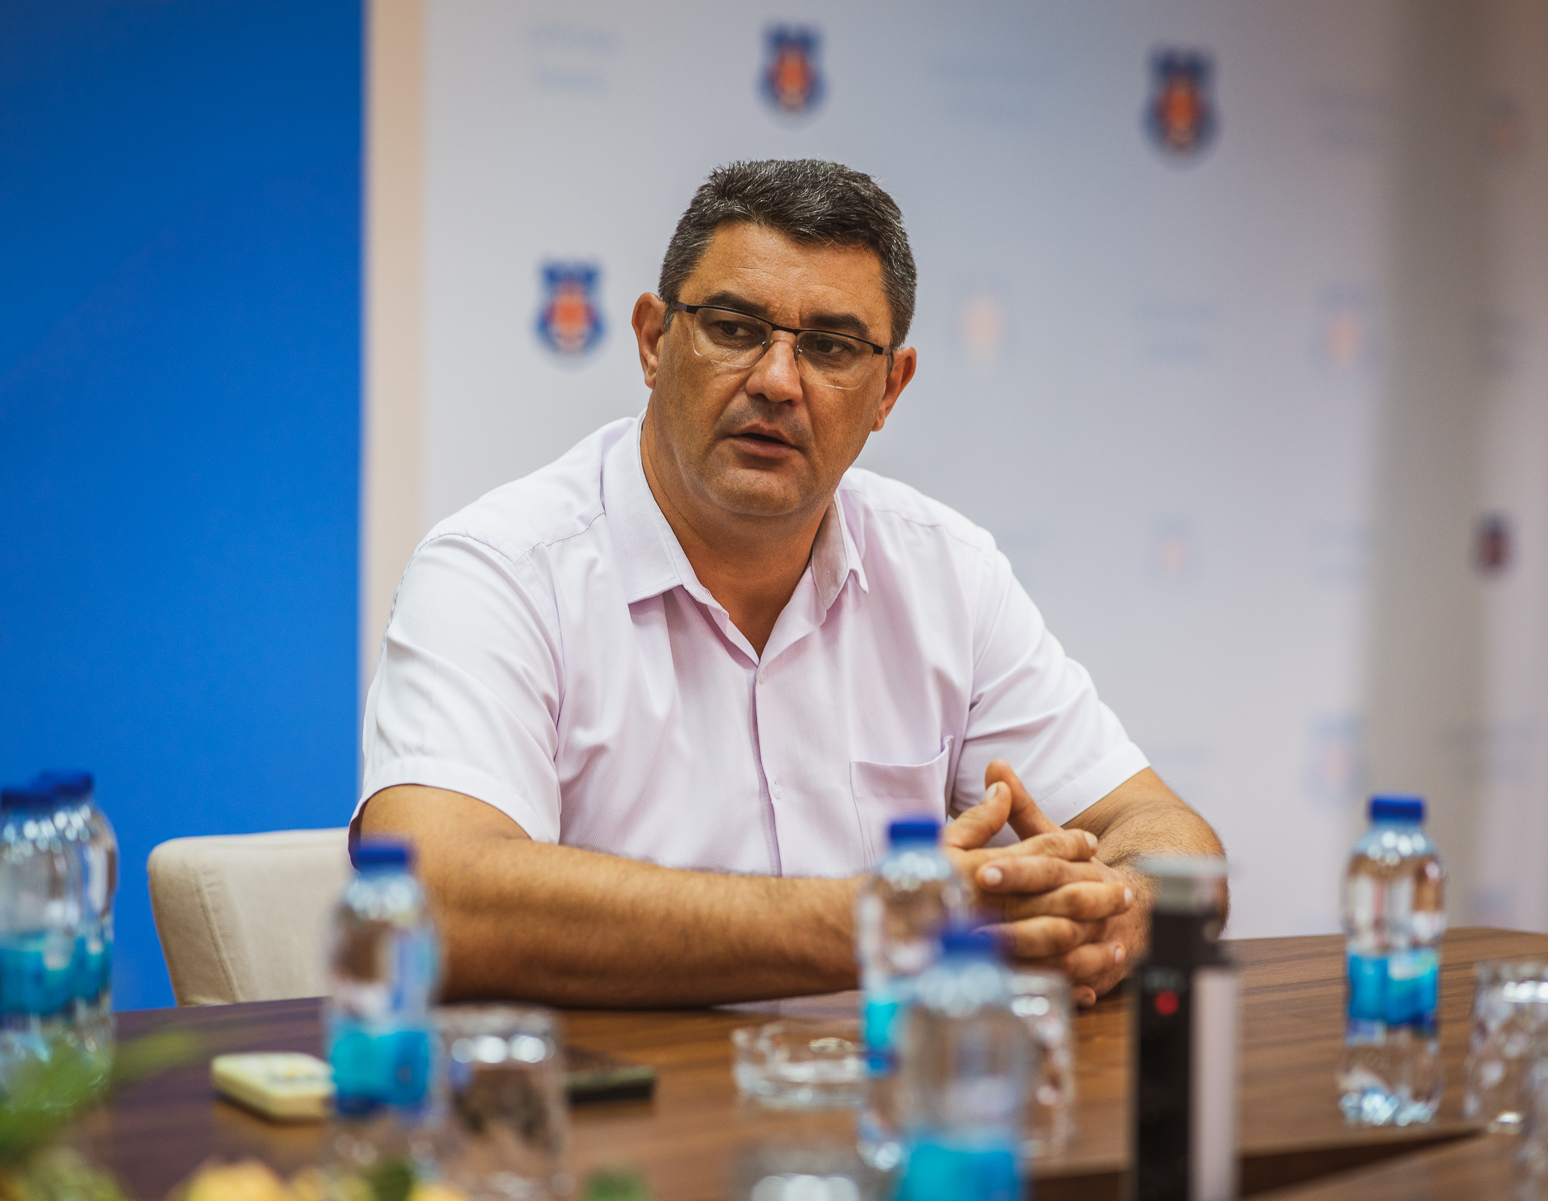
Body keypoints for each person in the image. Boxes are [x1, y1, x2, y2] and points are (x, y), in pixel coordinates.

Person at [357, 159, 1224, 1008]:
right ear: (655, 341)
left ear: (889, 387)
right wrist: (880, 923)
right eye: (734, 328)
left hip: (893, 1108)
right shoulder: (498, 569)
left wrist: (1116, 914)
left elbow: (1166, 836)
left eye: (831, 348)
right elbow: (432, 900)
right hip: (608, 1125)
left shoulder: (946, 570)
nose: (777, 381)